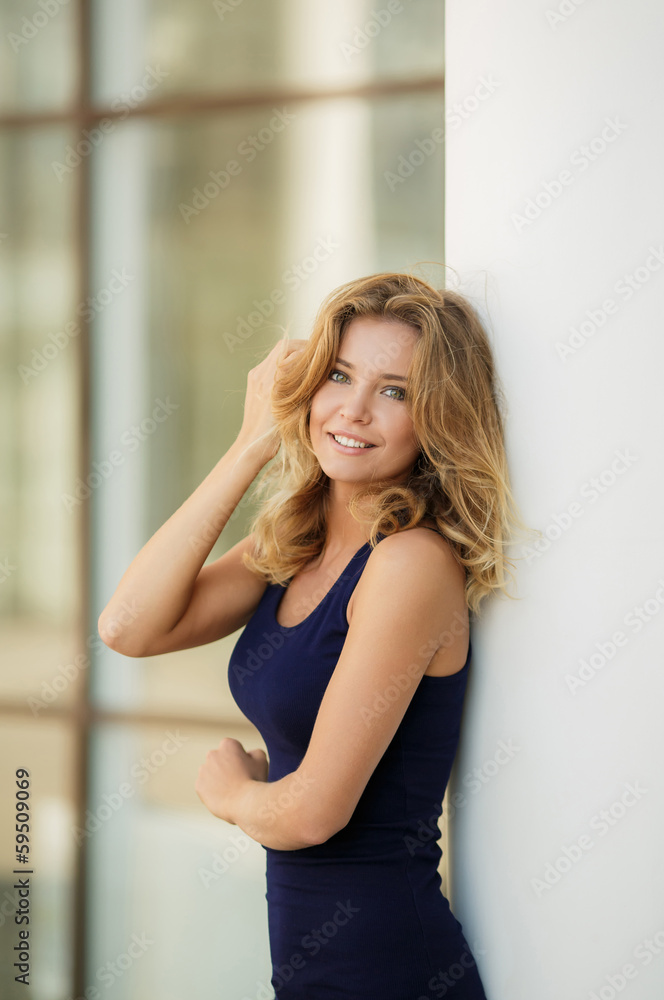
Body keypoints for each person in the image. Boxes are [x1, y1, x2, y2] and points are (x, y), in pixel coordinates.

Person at [98, 271, 528, 998]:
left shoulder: (410, 565)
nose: (354, 411)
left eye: (395, 391)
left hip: (389, 970)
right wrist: (249, 447)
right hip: (317, 970)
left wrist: (233, 794)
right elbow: (128, 626)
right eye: (339, 376)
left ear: (437, 418)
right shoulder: (298, 541)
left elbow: (311, 813)